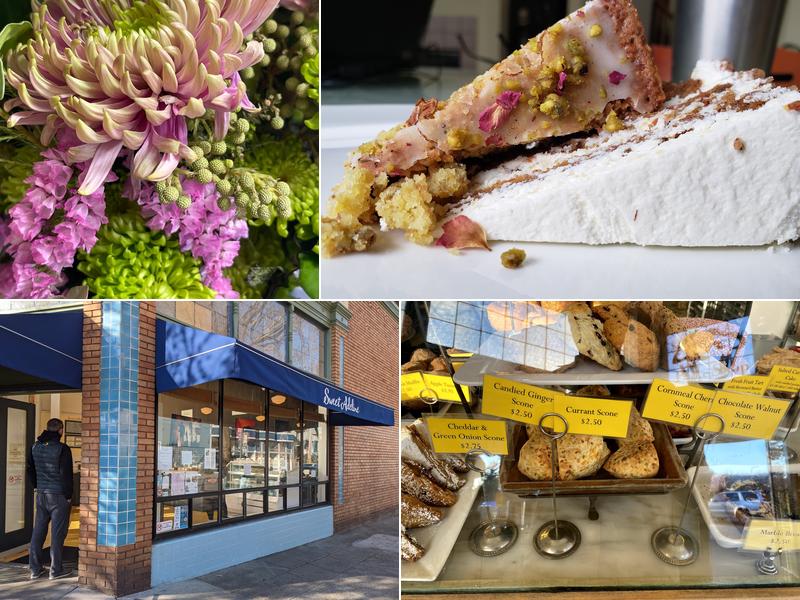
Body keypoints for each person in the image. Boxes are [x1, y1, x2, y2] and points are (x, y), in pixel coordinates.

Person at [25, 418, 74, 581]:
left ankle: (34, 568)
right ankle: (55, 570)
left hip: (41, 494)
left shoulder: (35, 446)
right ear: (60, 430)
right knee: (58, 534)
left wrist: (36, 487)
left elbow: (30, 469)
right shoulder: (62, 449)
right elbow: (65, 475)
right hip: (58, 496)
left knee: (38, 531)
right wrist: (68, 496)